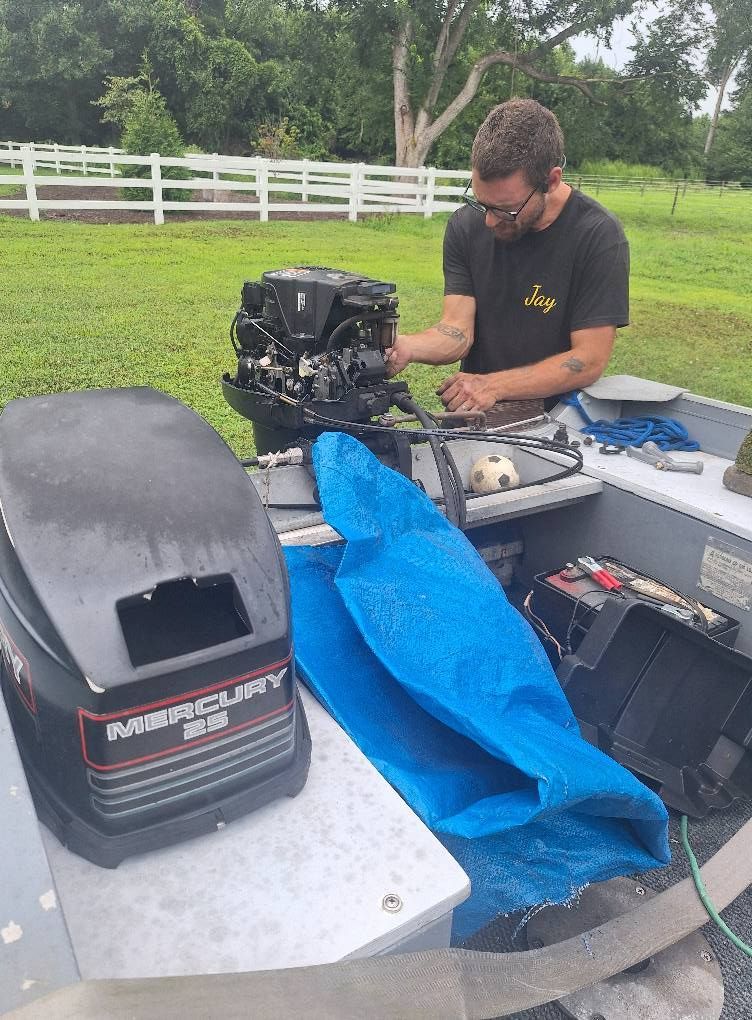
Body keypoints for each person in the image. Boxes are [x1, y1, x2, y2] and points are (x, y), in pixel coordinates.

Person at [386, 98, 629, 416]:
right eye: (481, 203)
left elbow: (588, 359)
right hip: (474, 418)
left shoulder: (597, 235)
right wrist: (407, 346)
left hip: (556, 423)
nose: (489, 221)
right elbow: (458, 329)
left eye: (506, 210)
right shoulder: (466, 225)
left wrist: (493, 386)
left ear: (551, 181)